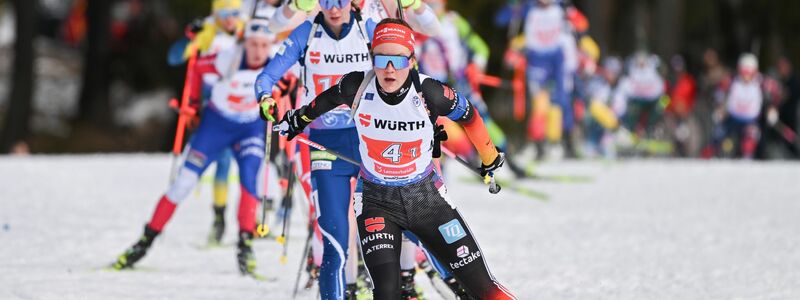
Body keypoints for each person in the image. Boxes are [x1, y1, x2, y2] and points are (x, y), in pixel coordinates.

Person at [270, 18, 516, 300]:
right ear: (371, 58)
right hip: (376, 200)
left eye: (398, 60)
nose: (389, 69)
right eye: (381, 58)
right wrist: (296, 120)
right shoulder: (357, 86)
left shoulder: (430, 92)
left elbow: (470, 116)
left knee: (482, 287)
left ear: (411, 60)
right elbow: (322, 102)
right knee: (386, 292)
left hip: (425, 198)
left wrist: (489, 156)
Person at [254, 1, 440, 299]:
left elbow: (406, 62)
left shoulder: (369, 27)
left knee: (411, 220)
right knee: (336, 243)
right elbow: (266, 76)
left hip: (371, 142)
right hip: (326, 146)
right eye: (326, 0)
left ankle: (414, 281)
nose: (334, 7)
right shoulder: (307, 33)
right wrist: (265, 97)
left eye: (341, 0)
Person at [112, 19, 279, 277]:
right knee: (183, 183)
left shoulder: (277, 62)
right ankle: (144, 241)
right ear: (245, 43)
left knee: (250, 179)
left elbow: (295, 84)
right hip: (216, 125)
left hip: (250, 128)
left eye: (263, 45)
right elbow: (198, 67)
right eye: (253, 44)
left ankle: (245, 246)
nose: (258, 51)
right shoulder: (228, 58)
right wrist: (191, 104)